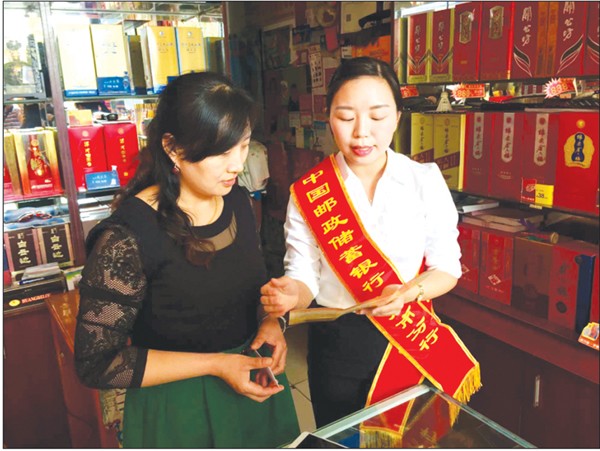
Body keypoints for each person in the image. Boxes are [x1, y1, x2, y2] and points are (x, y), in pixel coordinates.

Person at [73, 72, 299, 448]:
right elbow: (97, 363)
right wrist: (215, 364)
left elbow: (248, 288)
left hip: (253, 386)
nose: (237, 165)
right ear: (173, 148)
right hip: (179, 408)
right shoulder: (125, 238)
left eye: (243, 146)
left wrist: (271, 321)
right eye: (221, 152)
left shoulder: (237, 200)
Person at [260, 57, 480, 429]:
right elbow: (303, 273)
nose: (362, 133)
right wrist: (291, 294)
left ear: (397, 117)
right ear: (329, 118)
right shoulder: (311, 192)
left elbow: (446, 267)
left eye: (378, 116)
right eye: (346, 117)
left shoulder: (423, 180)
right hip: (336, 344)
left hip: (407, 337)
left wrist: (408, 293)